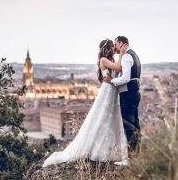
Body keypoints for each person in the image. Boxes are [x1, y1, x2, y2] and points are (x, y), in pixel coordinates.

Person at [42, 39, 128, 167]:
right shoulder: (103, 60)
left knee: (111, 119)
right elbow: (119, 67)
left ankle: (111, 150)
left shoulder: (109, 60)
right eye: (112, 46)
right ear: (107, 48)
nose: (113, 48)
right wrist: (122, 53)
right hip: (108, 91)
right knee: (102, 118)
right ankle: (98, 151)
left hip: (112, 91)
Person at [103, 36, 141, 164]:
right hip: (135, 92)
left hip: (127, 93)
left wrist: (111, 81)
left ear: (122, 43)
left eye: (116, 43)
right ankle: (137, 156)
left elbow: (125, 78)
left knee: (129, 125)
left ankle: (131, 158)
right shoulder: (134, 55)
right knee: (135, 125)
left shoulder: (125, 56)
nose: (115, 46)